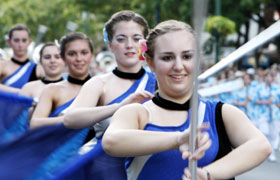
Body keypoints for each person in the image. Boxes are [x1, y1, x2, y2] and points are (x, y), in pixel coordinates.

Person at [102, 20, 271, 180]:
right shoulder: (136, 112)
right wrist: (177, 140)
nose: (178, 66)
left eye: (187, 56)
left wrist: (207, 174)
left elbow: (260, 146)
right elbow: (111, 142)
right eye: (167, 57)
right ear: (150, 62)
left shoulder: (221, 113)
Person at [64, 10, 156, 141]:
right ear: (110, 45)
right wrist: (118, 107)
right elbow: (70, 119)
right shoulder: (99, 84)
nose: (129, 45)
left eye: (136, 38)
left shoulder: (160, 82)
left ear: (145, 44)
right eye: (121, 39)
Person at [30, 32, 93, 129]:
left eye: (84, 53)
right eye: (72, 54)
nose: (79, 58)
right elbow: (34, 124)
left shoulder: (104, 86)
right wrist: (67, 119)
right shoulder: (52, 90)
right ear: (63, 58)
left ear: (92, 55)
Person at [0, 24, 44, 93]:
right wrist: (20, 92)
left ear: (29, 42)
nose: (20, 45)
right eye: (16, 40)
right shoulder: (2, 65)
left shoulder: (38, 68)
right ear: (9, 42)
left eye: (24, 40)